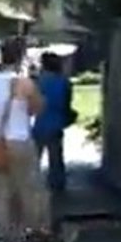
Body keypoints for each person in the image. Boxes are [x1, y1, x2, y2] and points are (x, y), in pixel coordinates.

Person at [0, 37, 53, 242]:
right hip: (19, 139)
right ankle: (36, 229)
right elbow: (37, 108)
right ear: (22, 58)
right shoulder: (23, 83)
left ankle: (1, 233)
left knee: (0, 188)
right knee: (30, 187)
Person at [33, 51, 73, 194]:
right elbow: (67, 103)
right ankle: (57, 184)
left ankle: (32, 183)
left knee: (35, 156)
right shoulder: (64, 82)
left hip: (39, 123)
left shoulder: (38, 82)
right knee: (56, 157)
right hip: (56, 123)